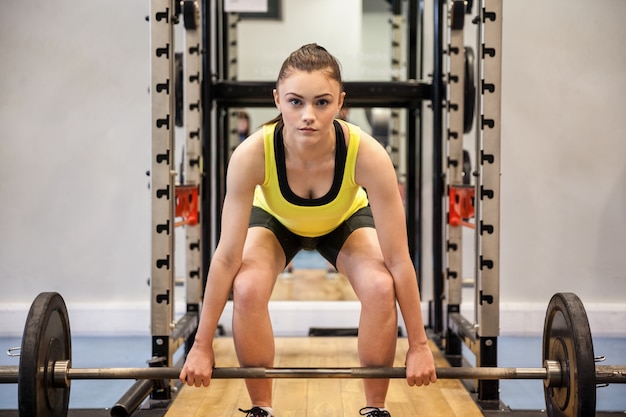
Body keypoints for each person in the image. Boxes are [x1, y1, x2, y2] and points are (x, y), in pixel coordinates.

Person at [180, 43, 437, 417]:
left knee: (381, 287)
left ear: (340, 103)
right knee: (247, 286)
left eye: (321, 102)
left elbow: (399, 260)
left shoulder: (369, 154)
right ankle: (261, 409)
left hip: (343, 221)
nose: (308, 115)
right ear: (277, 100)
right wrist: (202, 344)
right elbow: (225, 258)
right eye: (296, 102)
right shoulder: (251, 155)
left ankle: (375, 409)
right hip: (275, 221)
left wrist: (419, 344)